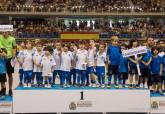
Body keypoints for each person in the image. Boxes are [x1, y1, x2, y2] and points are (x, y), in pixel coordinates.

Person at [0, 32, 16, 96]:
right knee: (1, 75)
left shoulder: (12, 39)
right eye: (3, 32)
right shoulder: (0, 37)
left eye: (6, 31)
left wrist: (14, 54)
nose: (4, 33)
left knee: (10, 75)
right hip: (1, 57)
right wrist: (2, 53)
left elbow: (14, 47)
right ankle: (3, 90)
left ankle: (10, 89)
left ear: (8, 32)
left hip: (10, 58)